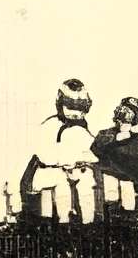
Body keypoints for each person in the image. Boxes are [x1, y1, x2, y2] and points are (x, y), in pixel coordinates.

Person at [19, 79, 100, 229]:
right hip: (49, 171)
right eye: (70, 106)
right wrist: (63, 161)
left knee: (86, 184)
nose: (75, 113)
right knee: (60, 186)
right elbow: (44, 154)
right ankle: (59, 225)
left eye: (80, 108)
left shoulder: (83, 130)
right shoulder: (50, 126)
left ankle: (88, 225)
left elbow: (93, 151)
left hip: (75, 171)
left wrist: (81, 161)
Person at [91, 97, 138, 241]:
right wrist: (115, 139)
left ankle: (126, 232)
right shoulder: (108, 134)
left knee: (128, 199)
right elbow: (96, 146)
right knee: (111, 195)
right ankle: (112, 229)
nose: (126, 125)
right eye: (123, 120)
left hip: (130, 180)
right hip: (110, 174)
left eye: (131, 121)